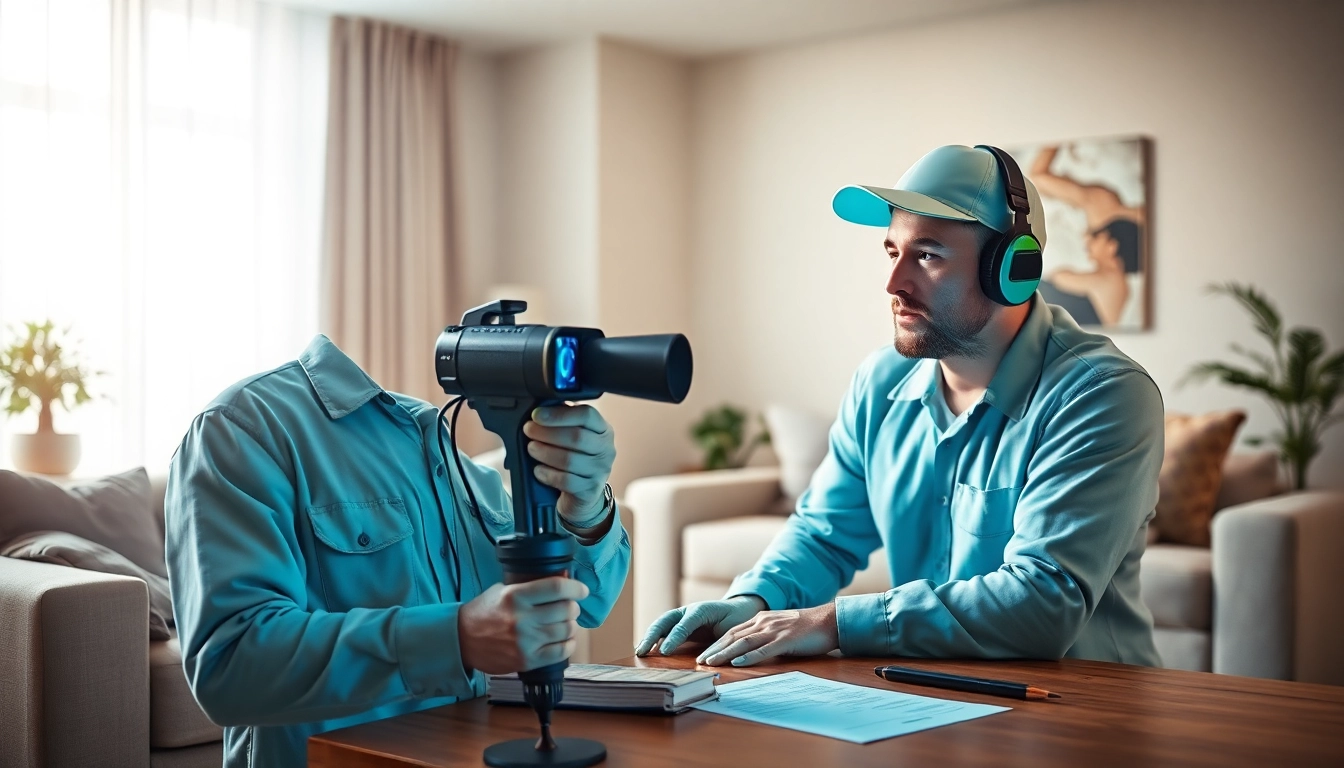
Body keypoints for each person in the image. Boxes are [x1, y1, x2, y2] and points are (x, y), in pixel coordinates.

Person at [636, 144, 1163, 669]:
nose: (894, 285)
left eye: (928, 255)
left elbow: (1043, 602)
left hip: (1086, 706)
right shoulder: (879, 382)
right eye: (893, 252)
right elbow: (824, 533)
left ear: (1012, 268)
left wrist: (832, 623)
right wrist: (752, 604)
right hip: (932, 698)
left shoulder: (1101, 395)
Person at [166, 334, 629, 767]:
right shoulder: (244, 429)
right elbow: (229, 667)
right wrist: (457, 637)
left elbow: (585, 601)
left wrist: (584, 504)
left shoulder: (435, 443)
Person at [1030, 144, 1146, 327]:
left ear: (1112, 246)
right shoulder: (1113, 278)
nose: (1086, 239)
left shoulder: (1109, 281)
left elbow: (1061, 278)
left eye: (1096, 236)